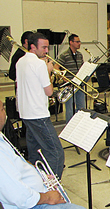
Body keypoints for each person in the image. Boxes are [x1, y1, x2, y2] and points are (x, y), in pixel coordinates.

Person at [0, 100, 85, 209]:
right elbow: (19, 197)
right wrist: (48, 197)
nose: (5, 114)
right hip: (34, 204)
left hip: (38, 195)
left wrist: (39, 174)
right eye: (2, 109)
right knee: (56, 151)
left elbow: (17, 162)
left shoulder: (1, 138)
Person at [16, 32, 65, 179]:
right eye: (43, 47)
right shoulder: (39, 64)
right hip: (38, 114)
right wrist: (48, 71)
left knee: (35, 150)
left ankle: (38, 181)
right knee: (56, 152)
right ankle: (55, 187)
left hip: (25, 113)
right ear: (32, 47)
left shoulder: (20, 62)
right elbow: (49, 91)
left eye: (47, 47)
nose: (46, 51)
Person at [54, 34, 85, 123]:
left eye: (79, 41)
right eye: (77, 42)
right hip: (69, 86)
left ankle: (80, 124)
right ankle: (69, 126)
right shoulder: (65, 55)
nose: (79, 44)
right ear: (71, 42)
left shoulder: (79, 55)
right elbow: (56, 67)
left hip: (79, 84)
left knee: (81, 107)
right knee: (70, 108)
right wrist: (64, 78)